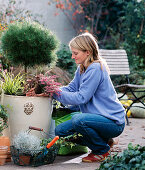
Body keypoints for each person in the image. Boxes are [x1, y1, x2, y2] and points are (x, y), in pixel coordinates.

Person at [53, 32, 125, 162]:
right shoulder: (82, 68)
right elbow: (70, 89)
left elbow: (81, 98)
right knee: (60, 131)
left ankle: (101, 150)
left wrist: (54, 93)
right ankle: (104, 141)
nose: (72, 56)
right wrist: (51, 90)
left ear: (87, 52)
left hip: (113, 121)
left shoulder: (95, 68)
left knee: (78, 120)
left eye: (75, 53)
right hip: (98, 119)